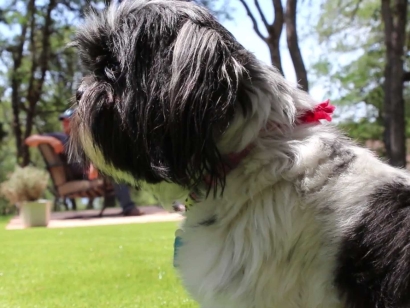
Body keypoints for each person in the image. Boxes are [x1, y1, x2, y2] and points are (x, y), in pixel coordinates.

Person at [25, 108, 144, 216]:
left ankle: (134, 199)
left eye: (68, 121)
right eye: (64, 121)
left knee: (120, 164)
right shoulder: (59, 137)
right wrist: (50, 140)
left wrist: (94, 165)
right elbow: (29, 140)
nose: (65, 123)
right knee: (117, 175)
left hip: (94, 170)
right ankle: (128, 208)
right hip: (81, 175)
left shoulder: (83, 138)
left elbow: (95, 153)